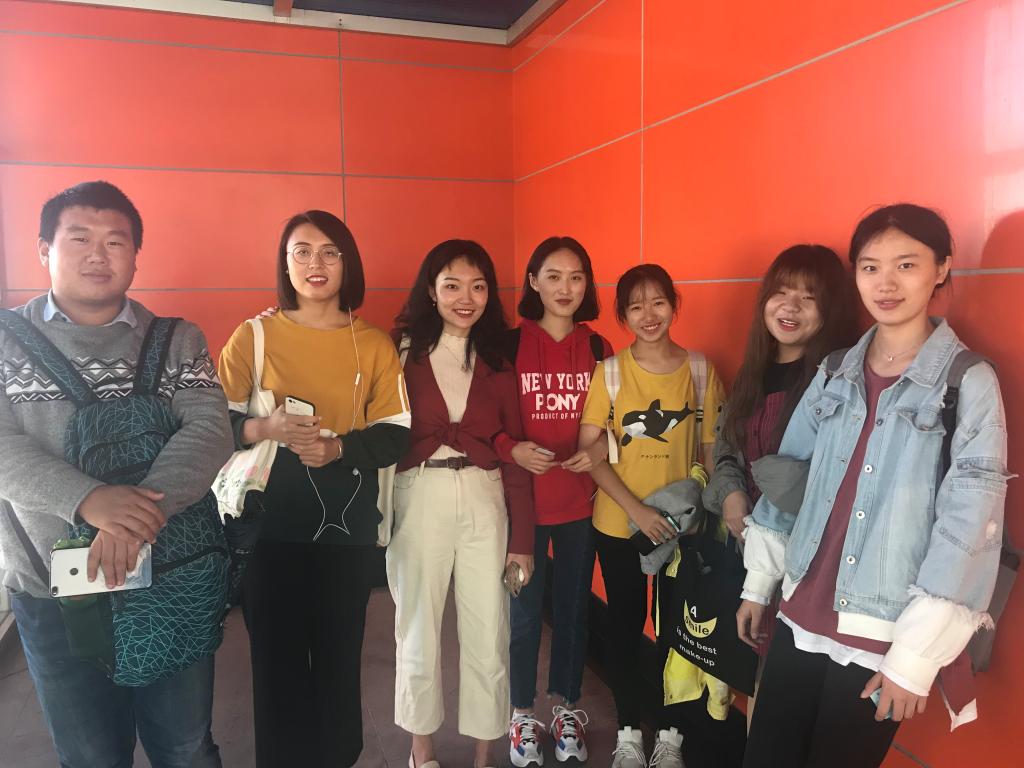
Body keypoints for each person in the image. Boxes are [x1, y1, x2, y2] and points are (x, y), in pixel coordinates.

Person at [738, 204, 1011, 767]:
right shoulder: (835, 369)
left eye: (906, 265)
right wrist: (759, 584)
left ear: (941, 268)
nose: (885, 284)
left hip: (881, 637)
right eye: (870, 267)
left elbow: (970, 526)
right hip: (800, 614)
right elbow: (790, 481)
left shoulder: (967, 382)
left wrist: (913, 661)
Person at [0, 180, 233, 767]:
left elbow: (210, 431)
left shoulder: (178, 339)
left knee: (185, 746)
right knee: (90, 755)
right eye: (79, 238)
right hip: (52, 589)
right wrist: (89, 500)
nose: (98, 255)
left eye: (115, 241)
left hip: (170, 575)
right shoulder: (5, 340)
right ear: (44, 249)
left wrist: (133, 520)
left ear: (135, 255)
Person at [217, 210, 410, 768]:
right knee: (275, 667)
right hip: (267, 529)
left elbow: (396, 433)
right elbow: (210, 426)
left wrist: (339, 448)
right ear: (285, 264)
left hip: (347, 534)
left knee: (338, 662)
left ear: (348, 263)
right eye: (300, 251)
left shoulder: (372, 343)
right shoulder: (253, 337)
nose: (315, 263)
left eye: (329, 251)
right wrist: (265, 428)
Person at [387, 239, 534, 768]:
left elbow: (516, 451)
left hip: (484, 496)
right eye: (451, 286)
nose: (465, 298)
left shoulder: (499, 359)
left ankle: (482, 754)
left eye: (477, 286)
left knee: (488, 631)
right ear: (431, 291)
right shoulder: (400, 352)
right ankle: (421, 751)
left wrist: (523, 541)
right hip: (419, 493)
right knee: (417, 629)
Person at [578, 264, 726, 768]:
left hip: (681, 532)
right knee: (624, 627)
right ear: (622, 314)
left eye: (658, 302)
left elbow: (712, 453)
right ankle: (627, 735)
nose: (648, 315)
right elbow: (590, 453)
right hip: (620, 525)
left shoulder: (700, 370)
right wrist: (638, 511)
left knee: (675, 634)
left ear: (673, 305)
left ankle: (670, 738)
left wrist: (700, 515)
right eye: (636, 306)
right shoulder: (610, 373)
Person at [702, 245, 857, 723]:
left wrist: (768, 492)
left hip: (801, 565)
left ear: (831, 310)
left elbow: (833, 482)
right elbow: (726, 445)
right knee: (752, 676)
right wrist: (731, 494)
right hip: (747, 548)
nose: (790, 307)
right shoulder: (756, 368)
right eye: (781, 292)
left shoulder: (838, 383)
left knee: (779, 692)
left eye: (808, 298)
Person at [502, 237, 612, 767]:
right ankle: (522, 712)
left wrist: (600, 448)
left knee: (572, 612)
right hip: (521, 507)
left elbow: (616, 421)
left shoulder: (599, 348)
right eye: (553, 276)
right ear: (533, 281)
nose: (565, 288)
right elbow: (489, 422)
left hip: (580, 505)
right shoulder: (508, 345)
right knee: (524, 616)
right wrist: (512, 448)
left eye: (576, 277)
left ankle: (567, 708)